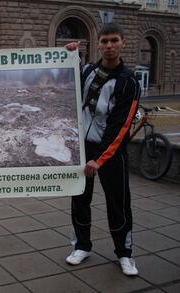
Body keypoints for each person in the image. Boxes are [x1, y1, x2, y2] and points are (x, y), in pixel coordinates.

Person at [65, 23, 140, 276]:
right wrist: (69, 54)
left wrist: (100, 158)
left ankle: (125, 254)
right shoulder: (87, 71)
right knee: (80, 199)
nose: (109, 46)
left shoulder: (128, 81)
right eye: (104, 41)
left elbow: (121, 126)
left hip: (111, 152)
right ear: (97, 44)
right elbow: (67, 80)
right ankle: (81, 247)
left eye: (114, 41)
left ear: (123, 43)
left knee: (118, 203)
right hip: (82, 147)